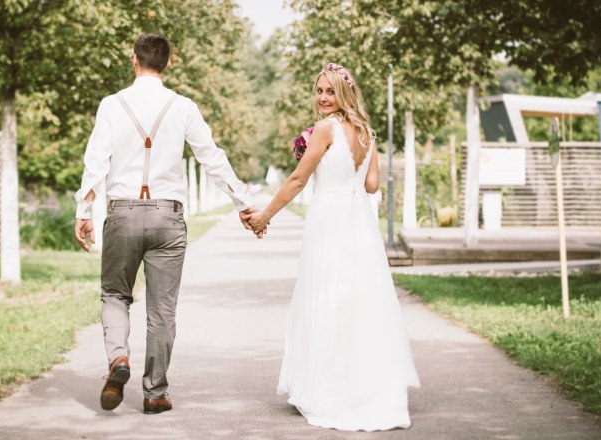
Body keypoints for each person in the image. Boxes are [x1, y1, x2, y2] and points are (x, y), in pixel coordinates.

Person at [73, 33, 262, 414]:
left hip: (123, 213)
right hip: (167, 217)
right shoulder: (183, 106)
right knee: (162, 310)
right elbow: (211, 158)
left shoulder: (111, 104)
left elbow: (96, 161)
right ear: (168, 63)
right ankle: (155, 393)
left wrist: (84, 209)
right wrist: (243, 203)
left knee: (115, 294)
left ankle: (118, 358)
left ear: (135, 60)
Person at [248, 63, 420, 431]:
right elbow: (372, 185)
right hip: (359, 223)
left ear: (344, 94)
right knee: (357, 299)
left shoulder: (325, 129)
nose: (323, 98)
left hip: (328, 220)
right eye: (319, 91)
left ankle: (328, 387)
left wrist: (264, 216)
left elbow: (298, 180)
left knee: (326, 295)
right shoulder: (367, 133)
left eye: (330, 91)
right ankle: (363, 384)